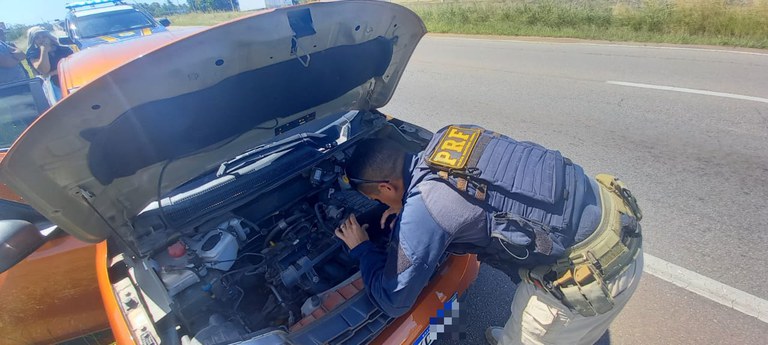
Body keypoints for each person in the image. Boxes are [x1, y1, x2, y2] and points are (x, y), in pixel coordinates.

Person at [335, 125, 644, 345]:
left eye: (378, 199)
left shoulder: (430, 206)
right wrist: (412, 211)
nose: (380, 205)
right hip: (613, 214)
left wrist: (362, 248)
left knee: (546, 333)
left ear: (387, 187)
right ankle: (516, 333)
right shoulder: (448, 138)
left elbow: (394, 299)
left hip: (596, 268)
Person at [25, 27, 73, 99]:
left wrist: (52, 73)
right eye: (37, 38)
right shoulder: (33, 53)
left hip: (70, 82)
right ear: (33, 40)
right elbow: (44, 70)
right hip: (50, 88)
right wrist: (44, 50)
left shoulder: (64, 49)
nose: (41, 39)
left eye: (44, 36)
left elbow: (72, 66)